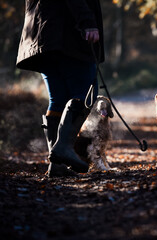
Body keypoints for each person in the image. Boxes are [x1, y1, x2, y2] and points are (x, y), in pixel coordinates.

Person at [16, 0, 105, 177]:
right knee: (85, 94)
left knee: (58, 100)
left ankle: (57, 165)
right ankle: (63, 149)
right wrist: (87, 22)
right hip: (67, 37)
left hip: (41, 38)